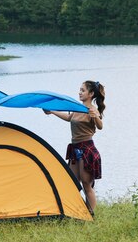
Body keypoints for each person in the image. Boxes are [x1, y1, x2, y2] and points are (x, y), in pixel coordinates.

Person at [45, 80, 105, 212]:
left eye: (83, 90)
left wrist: (96, 117)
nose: (80, 92)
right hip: (75, 148)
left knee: (86, 184)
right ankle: (75, 210)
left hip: (86, 149)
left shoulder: (92, 110)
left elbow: (100, 126)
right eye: (80, 90)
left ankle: (91, 214)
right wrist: (52, 112)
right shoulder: (77, 107)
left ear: (91, 94)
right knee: (71, 182)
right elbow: (68, 118)